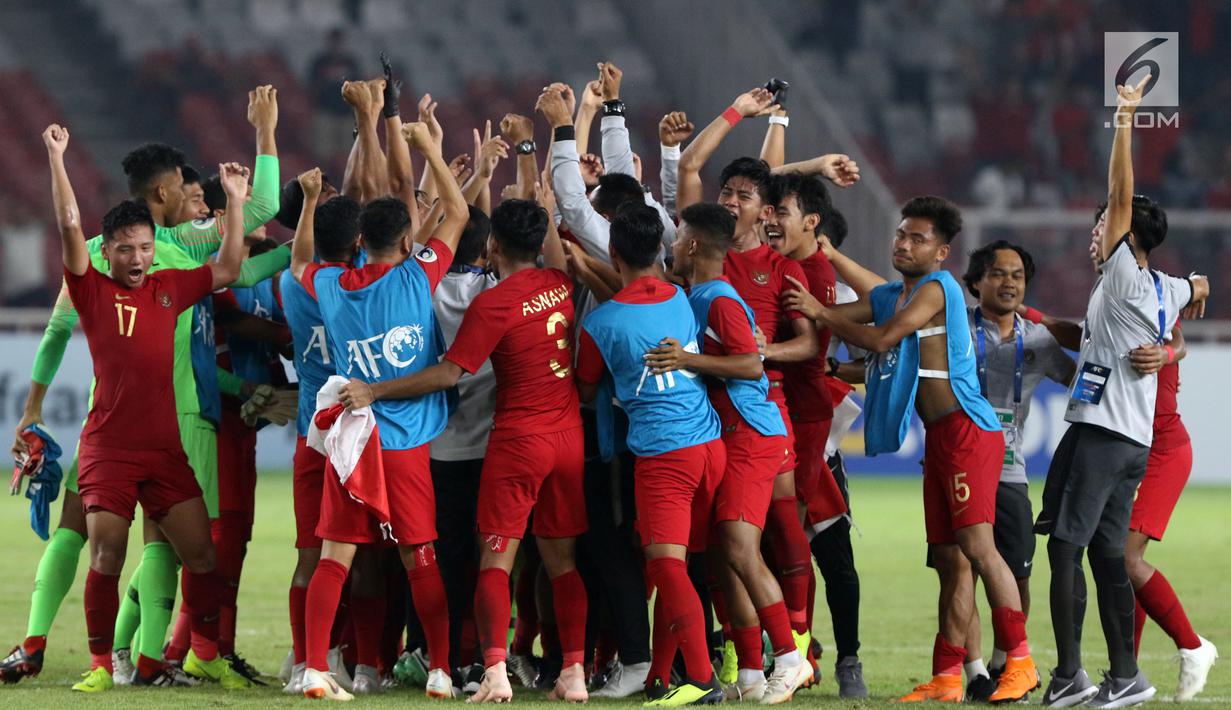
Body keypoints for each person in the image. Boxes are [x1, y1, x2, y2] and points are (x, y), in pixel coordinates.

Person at [3, 87, 282, 687]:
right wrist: (265, 139)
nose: (194, 199)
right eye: (187, 190)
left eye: (143, 250)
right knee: (123, 547)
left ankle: (52, 644)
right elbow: (256, 221)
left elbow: (233, 267)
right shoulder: (151, 257)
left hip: (148, 435)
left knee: (98, 535)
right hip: (137, 428)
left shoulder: (159, 272)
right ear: (160, 196)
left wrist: (31, 407)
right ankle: (122, 660)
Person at [783, 195, 1040, 704]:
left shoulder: (938, 289)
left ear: (941, 252)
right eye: (901, 235)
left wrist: (818, 310)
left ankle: (1021, 662)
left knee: (980, 550)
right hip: (940, 438)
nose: (903, 243)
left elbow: (881, 339)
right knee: (949, 560)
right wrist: (820, 284)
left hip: (968, 431)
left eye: (917, 239)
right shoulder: (899, 293)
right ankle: (946, 677)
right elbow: (852, 306)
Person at [337, 198, 589, 703]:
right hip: (568, 439)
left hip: (519, 443)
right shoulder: (559, 283)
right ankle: (575, 673)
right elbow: (557, 255)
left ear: (494, 245)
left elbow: (450, 372)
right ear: (539, 243)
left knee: (494, 562)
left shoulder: (493, 304)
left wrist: (375, 390)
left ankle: (493, 672)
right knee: (562, 564)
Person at [44, 121, 251, 693]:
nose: (137, 257)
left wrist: (235, 202)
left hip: (163, 451)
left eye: (143, 248)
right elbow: (68, 223)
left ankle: (204, 655)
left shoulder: (168, 288)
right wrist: (58, 158)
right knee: (106, 557)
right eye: (125, 249)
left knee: (202, 557)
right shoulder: (90, 290)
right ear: (106, 252)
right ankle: (99, 666)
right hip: (109, 449)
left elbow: (229, 269)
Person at [1033, 76, 1209, 708]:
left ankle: (1068, 676)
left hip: (1106, 433)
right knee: (1109, 554)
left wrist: (1126, 117)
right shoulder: (1164, 287)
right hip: (1128, 438)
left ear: (1125, 232)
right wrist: (1194, 298)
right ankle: (1127, 675)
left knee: (1065, 549)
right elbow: (1197, 284)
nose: (1095, 234)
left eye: (1104, 225)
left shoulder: (1126, 273)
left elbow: (1118, 193)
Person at [288, 119, 468, 701]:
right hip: (406, 446)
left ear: (361, 241)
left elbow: (298, 262)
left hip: (355, 445)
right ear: (408, 243)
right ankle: (440, 669)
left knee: (334, 559)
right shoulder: (418, 277)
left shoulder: (334, 285)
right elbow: (459, 213)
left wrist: (310, 204)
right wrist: (430, 149)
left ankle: (315, 667)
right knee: (420, 559)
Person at [649, 202, 811, 703]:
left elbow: (750, 364)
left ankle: (791, 658)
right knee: (723, 557)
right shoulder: (696, 296)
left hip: (750, 434)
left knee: (741, 548)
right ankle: (750, 672)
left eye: (678, 238)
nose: (673, 246)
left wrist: (687, 359)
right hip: (726, 435)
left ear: (694, 245)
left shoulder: (719, 299)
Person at [573, 203, 726, 706]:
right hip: (709, 446)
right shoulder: (681, 297)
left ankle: (701, 680)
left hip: (664, 455)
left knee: (665, 569)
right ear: (659, 249)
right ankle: (660, 676)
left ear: (613, 252)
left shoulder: (602, 324)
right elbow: (638, 297)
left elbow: (586, 387)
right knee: (675, 565)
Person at [947, 240, 1075, 701]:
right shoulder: (956, 328)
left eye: (1018, 276)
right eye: (999, 274)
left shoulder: (1038, 339)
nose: (1009, 283)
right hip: (960, 465)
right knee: (961, 571)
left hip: (1009, 470)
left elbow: (1079, 381)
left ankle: (1005, 662)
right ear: (976, 282)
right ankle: (975, 672)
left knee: (1017, 574)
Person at [765, 172, 867, 697]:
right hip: (787, 422)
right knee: (779, 542)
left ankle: (834, 657)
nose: (769, 221)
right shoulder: (783, 266)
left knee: (818, 549)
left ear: (812, 225)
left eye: (780, 213)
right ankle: (796, 650)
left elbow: (825, 347)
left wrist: (755, 352)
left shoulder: (815, 279)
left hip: (809, 431)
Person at [277, 193, 362, 694]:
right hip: (357, 439)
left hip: (312, 436)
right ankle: (352, 661)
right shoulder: (360, 288)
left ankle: (306, 661)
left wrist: (309, 203)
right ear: (357, 243)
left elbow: (299, 259)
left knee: (311, 557)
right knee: (356, 560)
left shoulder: (292, 284)